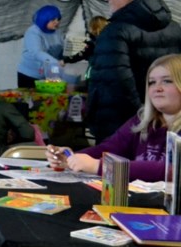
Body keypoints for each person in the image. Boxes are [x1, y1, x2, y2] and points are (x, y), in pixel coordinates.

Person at [47, 53, 181, 182]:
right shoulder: (141, 120)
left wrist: (99, 166)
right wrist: (72, 157)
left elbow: (172, 171)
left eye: (167, 81)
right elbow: (108, 148)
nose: (157, 88)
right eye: (151, 82)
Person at [87, 0, 181, 142]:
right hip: (165, 117)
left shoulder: (115, 31)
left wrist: (142, 116)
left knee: (115, 167)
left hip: (120, 121)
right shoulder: (174, 27)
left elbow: (118, 81)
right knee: (156, 165)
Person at [17, 4, 64, 88]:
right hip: (29, 75)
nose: (57, 22)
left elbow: (60, 50)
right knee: (29, 100)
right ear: (44, 19)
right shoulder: (33, 32)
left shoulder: (57, 32)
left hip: (48, 74)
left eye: (58, 19)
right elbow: (36, 52)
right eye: (53, 19)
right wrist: (56, 62)